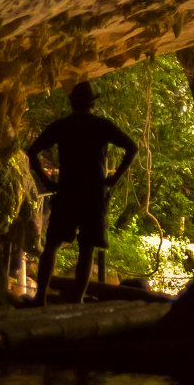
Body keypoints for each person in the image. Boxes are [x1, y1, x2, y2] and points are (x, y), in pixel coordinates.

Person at [26, 80, 138, 305]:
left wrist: (47, 181)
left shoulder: (62, 126)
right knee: (87, 248)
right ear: (93, 104)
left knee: (53, 244)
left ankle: (40, 298)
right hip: (94, 193)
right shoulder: (102, 126)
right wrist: (114, 178)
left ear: (72, 102)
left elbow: (33, 151)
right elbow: (132, 147)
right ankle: (77, 301)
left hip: (67, 191)